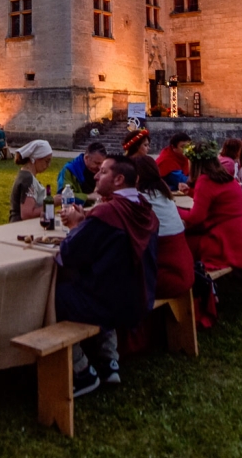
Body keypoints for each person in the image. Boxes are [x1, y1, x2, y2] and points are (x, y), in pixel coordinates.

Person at [55, 155, 157, 395]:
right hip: (141, 297)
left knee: (56, 295)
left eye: (102, 172)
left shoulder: (108, 214)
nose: (96, 176)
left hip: (111, 305)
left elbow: (70, 253)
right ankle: (109, 361)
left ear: (119, 179)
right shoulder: (145, 209)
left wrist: (75, 227)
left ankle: (81, 371)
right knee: (101, 283)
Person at [180, 142, 242, 273]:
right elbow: (217, 198)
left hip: (227, 239)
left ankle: (195, 283)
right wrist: (191, 192)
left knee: (183, 241)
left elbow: (196, 217)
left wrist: (174, 209)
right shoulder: (227, 178)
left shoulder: (204, 181)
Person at [133, 156, 194, 303]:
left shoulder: (140, 200)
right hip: (184, 272)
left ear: (136, 176)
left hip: (166, 278)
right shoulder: (163, 194)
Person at [8, 140, 54, 222]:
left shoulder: (26, 175)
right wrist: (52, 203)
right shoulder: (27, 178)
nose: (48, 165)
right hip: (21, 229)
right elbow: (27, 214)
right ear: (35, 159)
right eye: (46, 161)